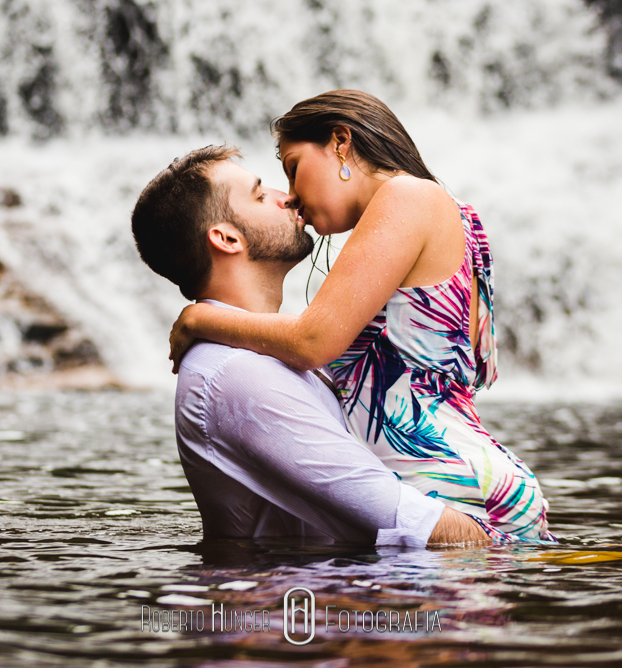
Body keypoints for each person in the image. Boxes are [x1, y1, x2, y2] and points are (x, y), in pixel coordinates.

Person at [168, 91, 554, 543]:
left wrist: (199, 320)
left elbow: (313, 342)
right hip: (450, 478)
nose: (291, 196)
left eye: (293, 168)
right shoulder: (437, 211)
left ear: (340, 142)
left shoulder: (408, 196)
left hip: (453, 488)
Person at [132, 145, 488, 546]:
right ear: (227, 238)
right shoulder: (239, 373)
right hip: (301, 606)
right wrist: (523, 555)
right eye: (261, 194)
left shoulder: (274, 353)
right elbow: (410, 524)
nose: (289, 197)